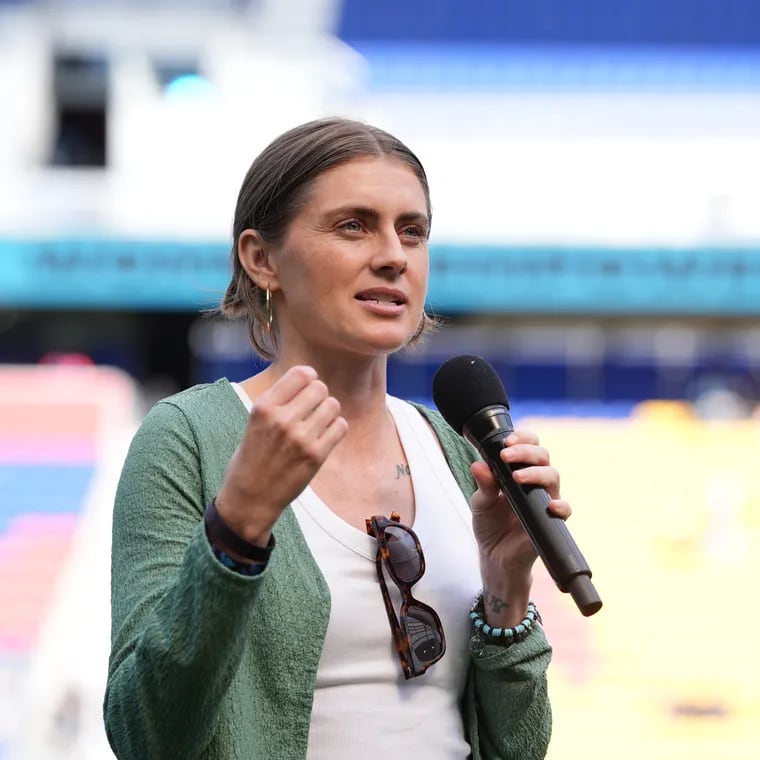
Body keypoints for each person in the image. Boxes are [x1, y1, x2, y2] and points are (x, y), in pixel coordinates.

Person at [103, 117, 572, 760]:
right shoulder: (189, 439)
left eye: (413, 231)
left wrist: (505, 588)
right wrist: (239, 524)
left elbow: (519, 747)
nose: (393, 255)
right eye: (354, 225)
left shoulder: (455, 448)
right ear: (261, 258)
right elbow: (144, 736)